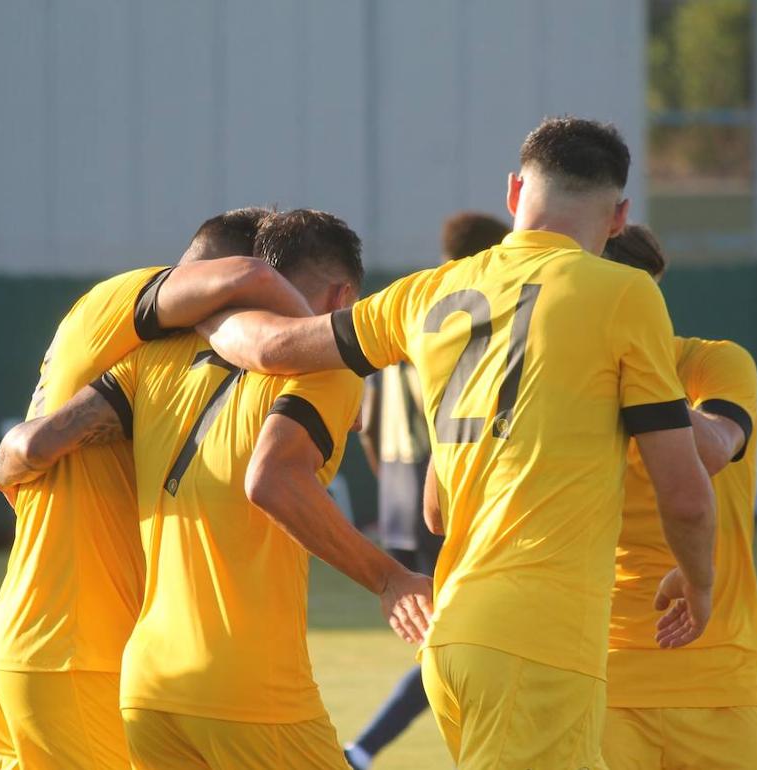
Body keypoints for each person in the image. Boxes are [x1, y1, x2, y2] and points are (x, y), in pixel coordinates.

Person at [199, 117, 717, 768]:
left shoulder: (430, 291)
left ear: (512, 194)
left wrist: (205, 306)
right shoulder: (624, 294)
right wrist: (699, 584)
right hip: (538, 639)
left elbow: (275, 349)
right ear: (618, 218)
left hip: (456, 638)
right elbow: (686, 495)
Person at [0, 209, 433, 770]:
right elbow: (272, 480)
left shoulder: (148, 358)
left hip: (146, 684)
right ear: (342, 295)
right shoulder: (321, 370)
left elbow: (35, 444)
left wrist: (6, 465)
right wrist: (390, 577)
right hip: (246, 685)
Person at [602, 225, 757, 770]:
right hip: (602, 680)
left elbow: (710, 450)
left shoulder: (716, 364)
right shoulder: (563, 384)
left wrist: (637, 365)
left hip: (721, 677)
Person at [345, 211, 509, 770]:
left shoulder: (411, 305)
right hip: (438, 496)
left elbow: (366, 421)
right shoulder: (469, 314)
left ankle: (371, 749)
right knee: (462, 641)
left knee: (444, 641)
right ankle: (365, 749)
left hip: (396, 496)